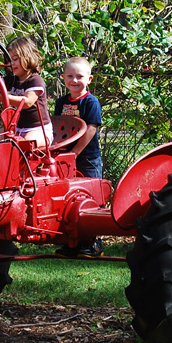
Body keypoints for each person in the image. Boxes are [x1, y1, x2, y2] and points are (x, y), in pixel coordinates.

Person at [54, 56, 105, 258]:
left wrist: (75, 153)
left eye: (79, 76)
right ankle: (71, 242)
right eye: (70, 76)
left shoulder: (91, 102)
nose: (74, 80)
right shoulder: (62, 102)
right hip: (65, 157)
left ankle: (94, 243)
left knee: (92, 196)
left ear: (89, 79)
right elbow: (58, 128)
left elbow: (90, 129)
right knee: (68, 198)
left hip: (87, 157)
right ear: (63, 78)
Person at [1, 36, 52, 147]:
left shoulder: (35, 80)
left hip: (38, 131)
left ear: (28, 57)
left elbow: (28, 102)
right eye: (8, 60)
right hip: (16, 129)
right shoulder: (12, 80)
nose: (11, 63)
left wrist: (4, 97)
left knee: (24, 144)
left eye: (15, 59)